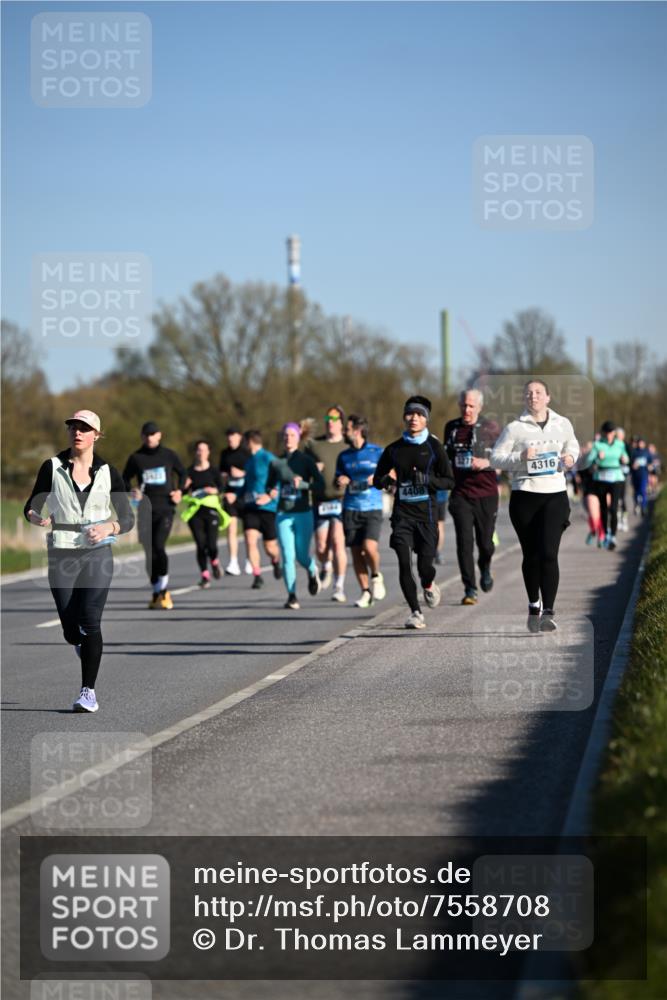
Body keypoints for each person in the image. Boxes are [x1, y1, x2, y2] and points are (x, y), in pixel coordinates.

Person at [24, 410, 134, 712]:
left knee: (90, 619)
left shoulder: (109, 472)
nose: (78, 432)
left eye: (85, 428)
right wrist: (35, 516)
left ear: (97, 435)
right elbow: (31, 504)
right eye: (74, 427)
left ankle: (88, 692)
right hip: (61, 551)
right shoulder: (52, 466)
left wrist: (109, 527)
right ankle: (78, 642)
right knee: (70, 628)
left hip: (97, 554)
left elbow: (127, 518)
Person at [491, 380, 578, 631]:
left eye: (539, 392)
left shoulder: (563, 424)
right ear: (524, 398)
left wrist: (571, 457)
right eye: (529, 393)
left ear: (548, 397)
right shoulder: (514, 428)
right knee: (531, 555)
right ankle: (533, 603)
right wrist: (519, 457)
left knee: (549, 553)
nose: (534, 396)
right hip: (524, 496)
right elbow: (496, 457)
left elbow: (572, 446)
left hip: (554, 494)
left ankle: (548, 611)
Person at [373, 395, 454, 629]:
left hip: (427, 517)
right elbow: (378, 479)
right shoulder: (394, 449)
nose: (414, 418)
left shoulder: (434, 447)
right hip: (402, 516)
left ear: (426, 419)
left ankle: (428, 585)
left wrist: (428, 480)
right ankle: (415, 612)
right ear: (404, 417)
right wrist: (386, 480)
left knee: (424, 568)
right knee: (404, 564)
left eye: (419, 414)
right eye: (410, 414)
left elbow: (449, 481)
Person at [443, 388, 501, 605]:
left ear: (480, 407)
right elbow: (446, 457)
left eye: (471, 406)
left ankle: (485, 566)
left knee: (485, 544)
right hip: (461, 494)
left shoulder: (492, 428)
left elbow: (504, 457)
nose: (466, 410)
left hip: (486, 493)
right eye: (463, 405)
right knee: (464, 543)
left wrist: (486, 463)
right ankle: (470, 589)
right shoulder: (451, 428)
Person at [260, 423, 325, 609]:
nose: (288, 438)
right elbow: (269, 485)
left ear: (298, 437)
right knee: (288, 556)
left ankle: (312, 571)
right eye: (285, 435)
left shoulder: (306, 461)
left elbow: (320, 485)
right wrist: (271, 490)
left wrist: (303, 485)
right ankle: (292, 596)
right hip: (283, 513)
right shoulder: (276, 462)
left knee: (302, 555)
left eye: (291, 435)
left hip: (303, 513)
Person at [122, 421, 185, 609]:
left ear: (159, 435)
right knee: (149, 553)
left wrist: (180, 491)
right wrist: (132, 490)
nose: (150, 438)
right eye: (146, 434)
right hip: (145, 509)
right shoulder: (136, 458)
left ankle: (164, 592)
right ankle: (156, 591)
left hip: (165, 507)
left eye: (153, 434)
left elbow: (183, 473)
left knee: (159, 546)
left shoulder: (169, 455)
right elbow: (123, 479)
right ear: (142, 437)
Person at [335, 414, 386, 607]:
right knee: (356, 552)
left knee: (369, 547)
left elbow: (391, 473)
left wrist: (378, 478)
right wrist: (341, 480)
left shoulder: (377, 452)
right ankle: (365, 592)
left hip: (372, 507)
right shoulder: (344, 456)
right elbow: (338, 478)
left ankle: (376, 576)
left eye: (346, 429)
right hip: (350, 508)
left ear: (357, 430)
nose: (344, 432)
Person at [305, 405, 349, 602]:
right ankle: (326, 566)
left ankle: (339, 586)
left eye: (334, 419)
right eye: (328, 419)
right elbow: (301, 469)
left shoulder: (348, 446)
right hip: (321, 501)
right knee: (322, 547)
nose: (330, 423)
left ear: (342, 423)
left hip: (342, 500)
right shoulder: (314, 445)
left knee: (338, 542)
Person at [182, 440, 227, 588]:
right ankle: (205, 576)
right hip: (195, 512)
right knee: (200, 545)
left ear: (208, 452)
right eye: (199, 450)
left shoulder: (213, 471)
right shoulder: (189, 472)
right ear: (196, 453)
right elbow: (181, 492)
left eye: (204, 450)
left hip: (211, 510)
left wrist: (214, 491)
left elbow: (221, 488)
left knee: (212, 544)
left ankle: (214, 561)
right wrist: (185, 486)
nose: (201, 453)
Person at [242, 429, 282, 589]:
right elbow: (246, 484)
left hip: (268, 508)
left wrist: (270, 496)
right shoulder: (248, 461)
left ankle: (275, 560)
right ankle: (257, 575)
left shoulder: (267, 457)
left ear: (250, 441)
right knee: (250, 539)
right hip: (251, 507)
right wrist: (236, 494)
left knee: (270, 547)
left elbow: (281, 476)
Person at [582, 421, 629, 551]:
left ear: (614, 433)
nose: (609, 435)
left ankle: (613, 536)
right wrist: (597, 457)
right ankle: (606, 534)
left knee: (613, 508)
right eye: (607, 433)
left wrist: (624, 458)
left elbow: (626, 457)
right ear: (603, 433)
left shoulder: (620, 444)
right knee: (603, 509)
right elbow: (587, 462)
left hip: (616, 478)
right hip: (601, 478)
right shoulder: (598, 445)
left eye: (611, 433)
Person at [219, 426, 250, 576]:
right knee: (231, 528)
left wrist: (241, 473)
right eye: (228, 436)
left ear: (239, 437)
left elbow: (254, 473)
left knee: (248, 530)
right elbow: (221, 473)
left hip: (245, 495)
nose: (230, 439)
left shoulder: (247, 453)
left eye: (233, 436)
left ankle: (250, 560)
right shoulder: (224, 454)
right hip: (230, 495)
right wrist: (225, 477)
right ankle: (233, 562)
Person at [576, 440, 603, 545]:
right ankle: (594, 532)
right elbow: (579, 477)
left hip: (595, 490)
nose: (587, 450)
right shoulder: (581, 461)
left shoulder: (595, 460)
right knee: (592, 515)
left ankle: (599, 535)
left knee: (596, 514)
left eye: (589, 448)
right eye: (585, 448)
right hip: (586, 491)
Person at [630, 436, 652, 517]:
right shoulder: (634, 452)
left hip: (644, 475)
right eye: (639, 443)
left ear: (644, 444)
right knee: (636, 492)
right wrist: (633, 465)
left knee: (643, 491)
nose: (640, 444)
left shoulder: (647, 452)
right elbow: (630, 464)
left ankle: (643, 507)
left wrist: (649, 466)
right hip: (635, 476)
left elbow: (650, 463)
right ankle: (636, 504)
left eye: (642, 443)